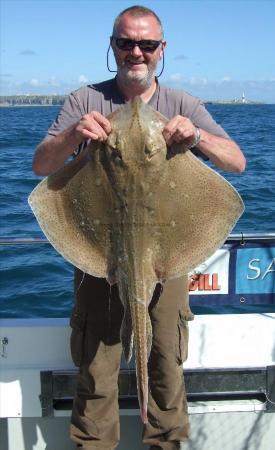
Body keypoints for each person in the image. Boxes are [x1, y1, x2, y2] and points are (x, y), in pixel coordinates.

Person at [32, 5, 246, 450]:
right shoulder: (84, 100)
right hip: (100, 257)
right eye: (126, 42)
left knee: (165, 361)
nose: (136, 52)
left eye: (146, 44)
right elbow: (40, 166)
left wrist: (197, 138)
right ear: (112, 46)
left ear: (161, 50)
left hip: (167, 259)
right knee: (97, 366)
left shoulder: (183, 104)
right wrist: (74, 135)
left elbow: (238, 163)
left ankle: (165, 441)